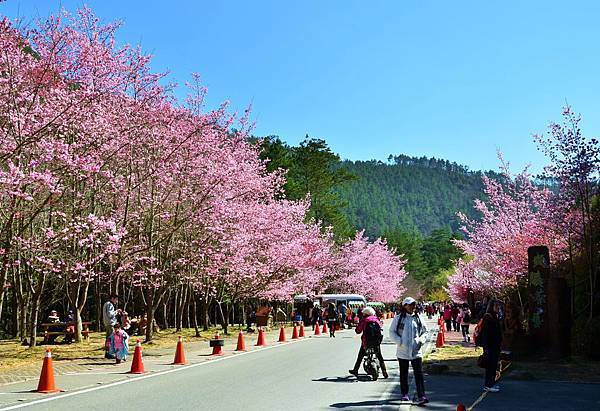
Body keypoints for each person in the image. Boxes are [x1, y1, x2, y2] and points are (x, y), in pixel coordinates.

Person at [389, 297, 428, 405]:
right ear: (404, 306)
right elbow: (392, 332)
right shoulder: (398, 318)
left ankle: (421, 395)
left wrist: (420, 341)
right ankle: (404, 394)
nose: (412, 307)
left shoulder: (418, 317)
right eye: (410, 305)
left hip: (416, 351)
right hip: (403, 351)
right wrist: (399, 341)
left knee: (419, 374)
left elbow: (425, 331)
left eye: (413, 305)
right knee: (404, 374)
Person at [348, 306, 388, 378]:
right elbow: (381, 327)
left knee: (360, 356)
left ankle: (355, 370)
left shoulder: (364, 320)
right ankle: (384, 372)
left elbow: (358, 331)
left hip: (366, 341)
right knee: (379, 356)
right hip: (376, 341)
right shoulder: (376, 319)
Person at [479, 300, 503, 392]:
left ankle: (491, 383)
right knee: (490, 366)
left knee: (493, 366)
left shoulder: (495, 317)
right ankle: (488, 385)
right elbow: (485, 334)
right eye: (496, 306)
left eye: (498, 306)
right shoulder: (488, 317)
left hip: (495, 345)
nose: (498, 308)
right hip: (490, 346)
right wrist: (486, 348)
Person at [102, 294, 119, 358]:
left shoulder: (106, 304)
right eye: (116, 299)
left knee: (108, 339)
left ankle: (107, 352)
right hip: (110, 324)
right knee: (111, 339)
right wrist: (116, 312)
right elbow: (110, 314)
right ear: (112, 298)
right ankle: (110, 353)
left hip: (107, 323)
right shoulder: (110, 304)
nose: (116, 301)